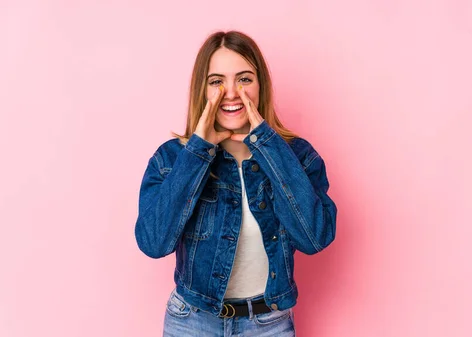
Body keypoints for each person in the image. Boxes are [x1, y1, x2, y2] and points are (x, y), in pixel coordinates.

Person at [134, 30, 337, 336]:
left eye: (244, 79)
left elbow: (314, 238)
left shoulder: (296, 156)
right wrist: (198, 151)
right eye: (217, 81)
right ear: (202, 89)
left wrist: (268, 146)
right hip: (192, 321)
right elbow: (153, 243)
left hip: (269, 324)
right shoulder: (173, 158)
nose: (231, 92)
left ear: (260, 86)